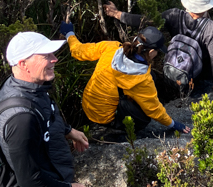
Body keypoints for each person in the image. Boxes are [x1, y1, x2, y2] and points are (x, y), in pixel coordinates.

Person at [0, 31, 115, 187]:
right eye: (46, 55)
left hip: (53, 171)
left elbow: (47, 114)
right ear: (24, 63)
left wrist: (69, 131)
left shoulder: (30, 87)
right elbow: (28, 178)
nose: (55, 59)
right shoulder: (20, 118)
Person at [59, 21, 189, 137]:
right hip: (104, 118)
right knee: (145, 117)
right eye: (157, 51)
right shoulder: (142, 79)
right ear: (150, 52)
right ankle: (120, 130)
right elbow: (153, 109)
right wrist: (173, 124)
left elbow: (79, 51)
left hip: (88, 105)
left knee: (150, 79)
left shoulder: (111, 47)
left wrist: (69, 33)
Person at [104, 0, 213, 95]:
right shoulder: (210, 27)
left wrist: (116, 14)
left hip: (182, 67)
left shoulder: (173, 15)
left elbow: (145, 21)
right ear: (207, 7)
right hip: (203, 71)